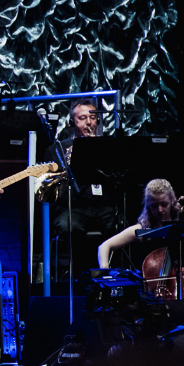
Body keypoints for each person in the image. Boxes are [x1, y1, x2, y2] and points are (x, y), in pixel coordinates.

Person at [37, 98, 115, 278]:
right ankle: (81, 274)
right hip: (72, 207)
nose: (89, 122)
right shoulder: (57, 149)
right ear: (73, 122)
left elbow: (115, 182)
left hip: (101, 205)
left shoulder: (106, 147)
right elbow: (50, 189)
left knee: (120, 224)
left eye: (93, 118)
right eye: (82, 118)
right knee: (69, 227)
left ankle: (112, 274)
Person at [97, 178, 184, 268]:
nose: (159, 210)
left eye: (164, 204)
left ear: (172, 201)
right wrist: (104, 269)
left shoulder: (182, 227)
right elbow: (104, 246)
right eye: (154, 205)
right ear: (148, 205)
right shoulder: (142, 229)